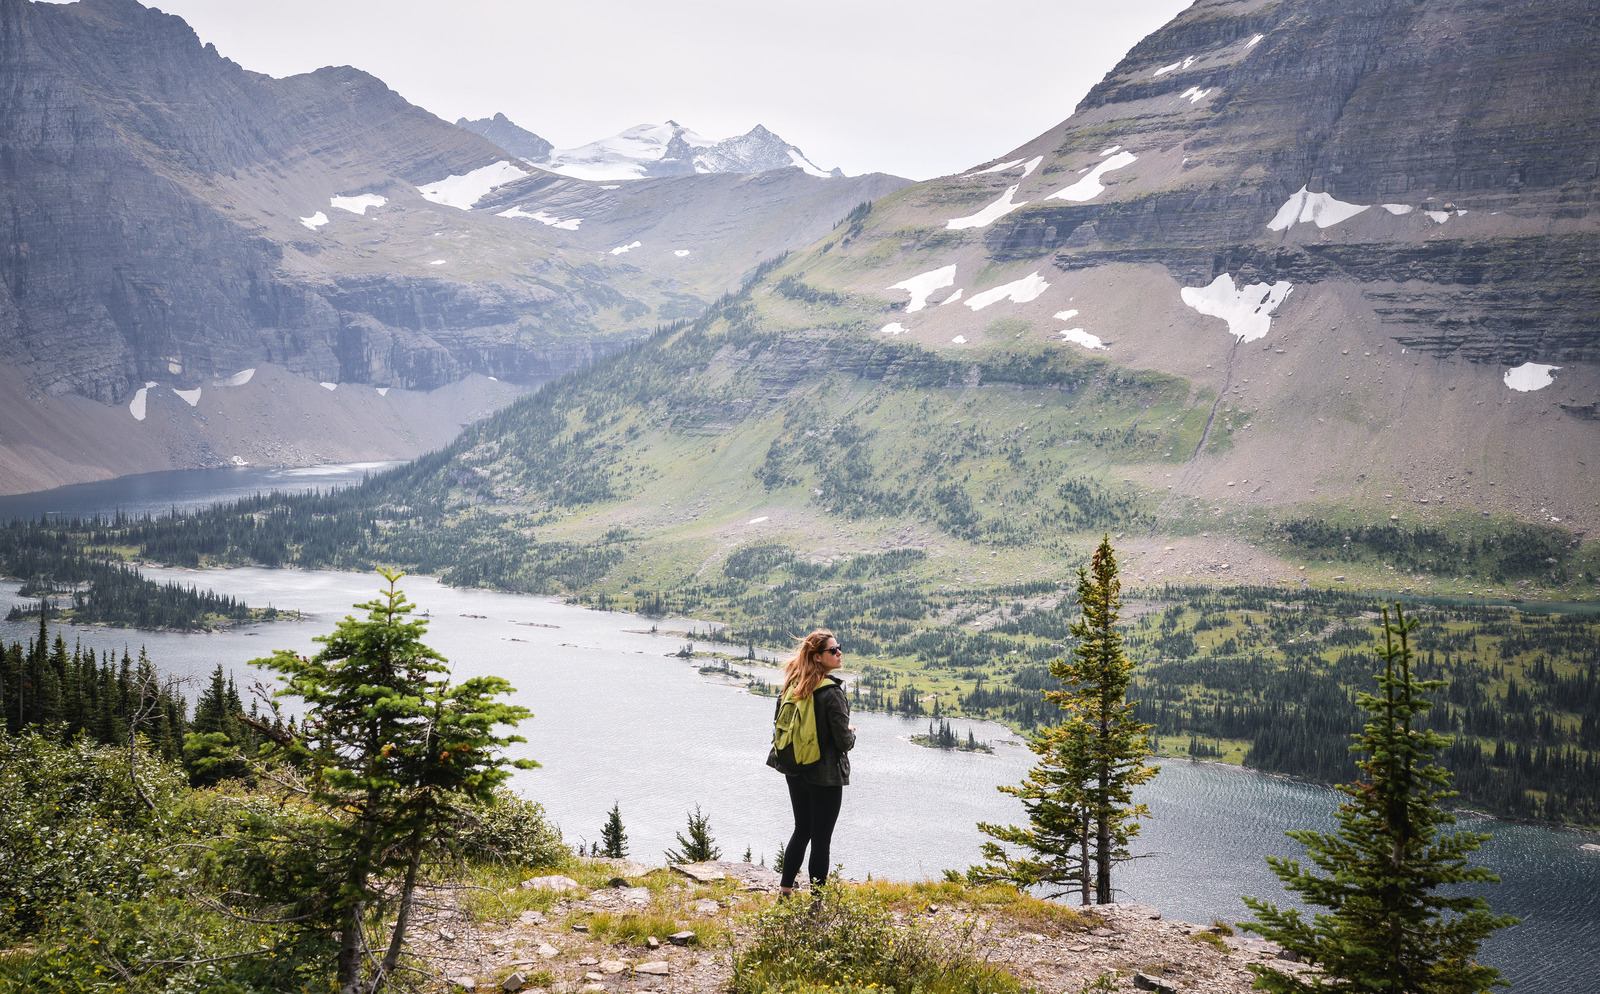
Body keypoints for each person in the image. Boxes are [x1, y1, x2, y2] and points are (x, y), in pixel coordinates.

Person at [774, 628, 855, 897]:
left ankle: (785, 890)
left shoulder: (791, 686)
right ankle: (817, 900)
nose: (839, 652)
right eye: (833, 650)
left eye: (838, 647)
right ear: (818, 657)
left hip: (794, 769)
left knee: (802, 829)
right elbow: (843, 741)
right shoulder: (831, 692)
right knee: (821, 839)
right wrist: (852, 733)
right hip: (825, 776)